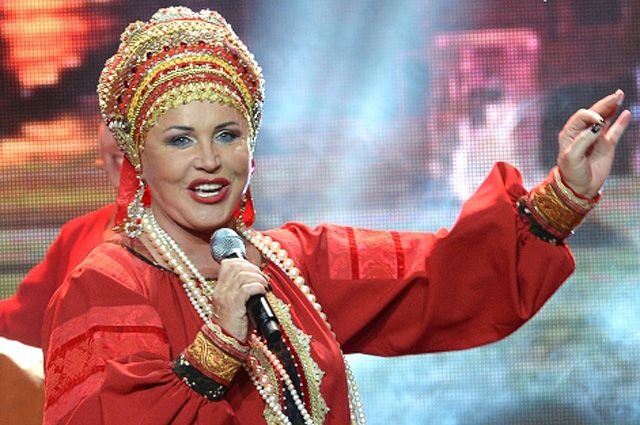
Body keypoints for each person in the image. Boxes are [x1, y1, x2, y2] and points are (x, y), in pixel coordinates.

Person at [41, 6, 631, 425]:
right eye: (179, 139)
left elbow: (442, 278)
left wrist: (563, 194)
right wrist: (217, 347)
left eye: (227, 134)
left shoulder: (292, 263)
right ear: (137, 158)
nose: (209, 160)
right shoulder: (106, 287)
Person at [0, 122, 123, 347]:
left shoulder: (192, 238)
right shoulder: (76, 234)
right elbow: (22, 321)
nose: (121, 135)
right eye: (111, 119)